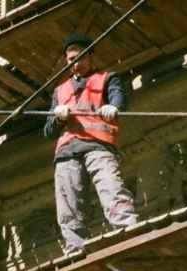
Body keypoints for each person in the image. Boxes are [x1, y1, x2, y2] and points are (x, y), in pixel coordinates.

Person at [44, 32, 139, 256]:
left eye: (80, 57)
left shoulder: (107, 78)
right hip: (67, 151)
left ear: (90, 57)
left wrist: (113, 107)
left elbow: (119, 99)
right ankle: (74, 248)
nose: (76, 63)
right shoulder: (60, 91)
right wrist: (58, 118)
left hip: (98, 146)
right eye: (71, 60)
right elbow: (49, 131)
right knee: (69, 205)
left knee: (111, 188)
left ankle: (127, 228)